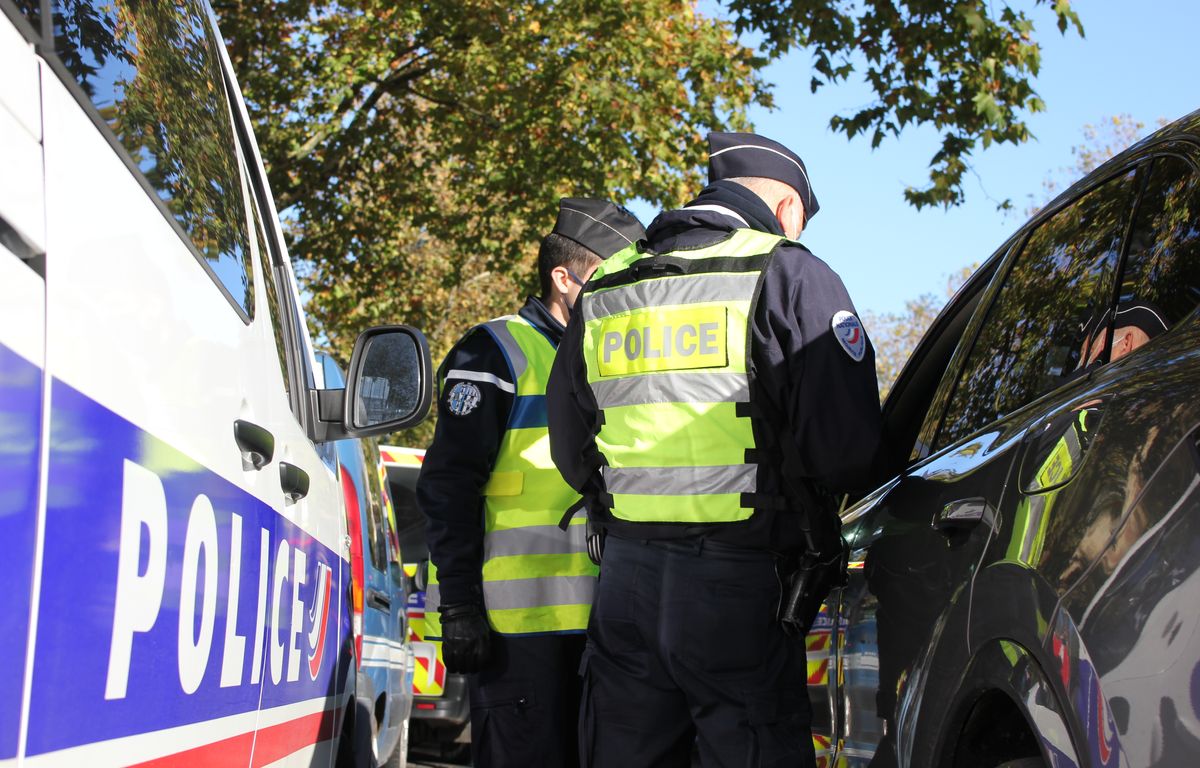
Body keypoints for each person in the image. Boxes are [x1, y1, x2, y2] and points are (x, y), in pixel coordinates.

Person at [546, 133, 882, 767]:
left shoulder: (608, 285)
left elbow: (570, 444)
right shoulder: (788, 273)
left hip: (625, 585)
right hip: (742, 587)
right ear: (787, 207)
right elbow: (845, 449)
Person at [416, 198, 646, 768]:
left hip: (611, 629)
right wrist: (459, 606)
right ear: (563, 279)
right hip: (517, 633)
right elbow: (448, 486)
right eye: (609, 278)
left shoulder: (618, 359)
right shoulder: (494, 350)